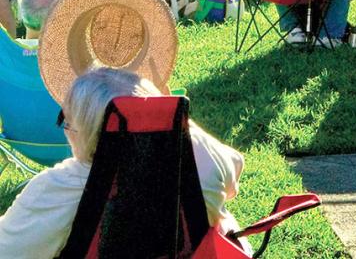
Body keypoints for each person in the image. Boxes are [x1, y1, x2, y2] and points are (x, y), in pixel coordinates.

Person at [0, 67, 245, 258]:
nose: (66, 131)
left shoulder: (58, 190)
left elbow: (7, 252)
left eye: (67, 122)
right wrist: (168, 124)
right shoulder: (200, 155)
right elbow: (234, 171)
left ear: (88, 132)